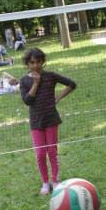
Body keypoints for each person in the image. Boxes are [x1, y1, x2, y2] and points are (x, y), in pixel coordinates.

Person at [19, 48, 76, 195]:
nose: (36, 65)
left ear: (43, 62)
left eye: (38, 62)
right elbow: (27, 101)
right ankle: (45, 182)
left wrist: (58, 98)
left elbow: (71, 84)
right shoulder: (24, 80)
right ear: (27, 64)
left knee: (52, 151)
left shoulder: (50, 76)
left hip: (51, 119)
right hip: (36, 122)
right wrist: (36, 83)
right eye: (32, 62)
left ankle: (56, 180)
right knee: (40, 153)